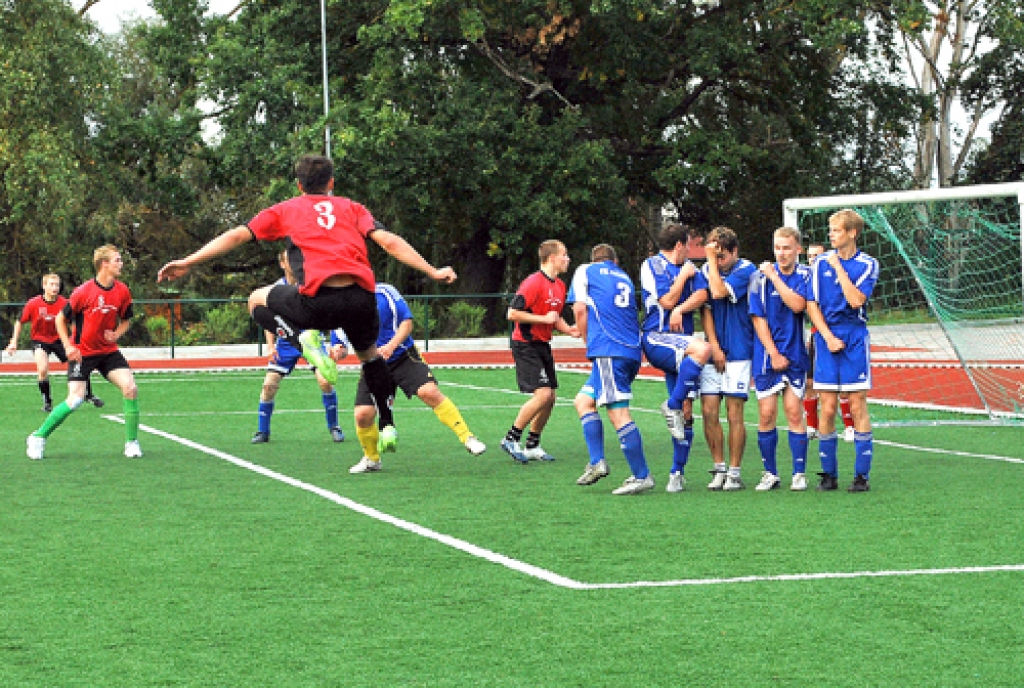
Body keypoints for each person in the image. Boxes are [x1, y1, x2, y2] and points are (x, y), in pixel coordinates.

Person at [157, 155, 456, 455]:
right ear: (331, 183)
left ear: (299, 185)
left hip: (318, 303)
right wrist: (432, 271)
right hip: (361, 300)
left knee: (255, 300)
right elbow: (389, 242)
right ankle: (388, 425)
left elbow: (237, 235)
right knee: (370, 357)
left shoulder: (286, 209)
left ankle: (301, 340)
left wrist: (188, 261)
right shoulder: (352, 208)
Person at [348, 283, 486, 473]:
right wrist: (337, 350)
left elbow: (407, 322)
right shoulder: (343, 303)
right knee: (362, 414)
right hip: (373, 364)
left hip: (402, 355)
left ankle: (467, 437)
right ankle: (372, 459)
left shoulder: (386, 292)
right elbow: (340, 340)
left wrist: (390, 346)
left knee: (429, 392)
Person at [26, 246, 142, 460]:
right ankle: (38, 437)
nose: (121, 264)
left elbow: (126, 320)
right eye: (117, 260)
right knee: (76, 399)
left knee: (130, 388)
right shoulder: (83, 292)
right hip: (83, 353)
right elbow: (61, 319)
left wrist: (116, 334)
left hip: (108, 352)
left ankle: (132, 443)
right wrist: (68, 347)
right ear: (104, 264)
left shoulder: (123, 291)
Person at [805, 209, 879, 492]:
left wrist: (838, 268)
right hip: (826, 336)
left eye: (836, 230)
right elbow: (811, 304)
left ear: (852, 233)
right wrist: (826, 337)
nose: (831, 235)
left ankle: (861, 476)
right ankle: (829, 475)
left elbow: (856, 300)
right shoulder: (818, 264)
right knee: (827, 407)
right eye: (831, 230)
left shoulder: (868, 264)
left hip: (854, 337)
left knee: (857, 403)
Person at [570, 244, 653, 495]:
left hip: (609, 350)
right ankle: (597, 462)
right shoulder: (623, 276)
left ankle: (641, 475)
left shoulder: (586, 270)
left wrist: (588, 341)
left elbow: (579, 308)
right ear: (614, 261)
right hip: (630, 350)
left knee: (618, 413)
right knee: (583, 401)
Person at [639, 223, 711, 492]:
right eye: (689, 245)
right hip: (658, 336)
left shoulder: (690, 267)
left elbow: (702, 294)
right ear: (680, 245)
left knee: (686, 413)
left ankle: (676, 473)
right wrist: (682, 278)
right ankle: (671, 404)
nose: (690, 251)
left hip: (682, 345)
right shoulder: (653, 265)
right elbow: (666, 302)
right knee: (703, 349)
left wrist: (681, 309)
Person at [252, 252, 348, 444]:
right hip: (286, 343)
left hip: (312, 341)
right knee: (269, 385)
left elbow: (330, 312)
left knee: (325, 382)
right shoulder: (275, 290)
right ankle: (262, 431)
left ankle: (334, 427)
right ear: (282, 264)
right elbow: (268, 319)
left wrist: (336, 343)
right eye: (290, 259)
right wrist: (270, 346)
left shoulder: (311, 285)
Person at [502, 240, 579, 463]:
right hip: (525, 344)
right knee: (543, 394)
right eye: (564, 255)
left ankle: (532, 444)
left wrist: (569, 330)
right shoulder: (533, 283)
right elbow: (512, 313)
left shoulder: (560, 286)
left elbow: (555, 317)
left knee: (551, 397)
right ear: (552, 258)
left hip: (542, 344)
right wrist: (543, 319)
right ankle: (511, 438)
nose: (567, 259)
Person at [750, 227, 813, 491]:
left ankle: (799, 473)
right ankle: (770, 473)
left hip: (795, 354)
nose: (781, 253)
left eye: (787, 248)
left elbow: (798, 305)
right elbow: (758, 319)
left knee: (794, 412)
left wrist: (775, 277)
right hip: (767, 357)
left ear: (798, 249)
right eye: (777, 248)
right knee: (766, 414)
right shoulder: (757, 279)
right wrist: (774, 354)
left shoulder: (805, 275)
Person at [696, 227, 758, 491]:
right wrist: (713, 346)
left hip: (740, 349)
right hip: (714, 350)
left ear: (734, 252)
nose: (718, 261)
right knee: (708, 410)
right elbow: (706, 309)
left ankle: (735, 471)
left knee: (734, 413)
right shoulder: (705, 271)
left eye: (722, 256)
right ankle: (718, 468)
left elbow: (720, 292)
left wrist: (711, 260)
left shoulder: (746, 269)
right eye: (715, 255)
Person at [5, 273, 104, 411]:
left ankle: (88, 394)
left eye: (57, 285)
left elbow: (73, 323)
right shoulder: (33, 303)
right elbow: (19, 322)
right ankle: (47, 402)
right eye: (51, 284)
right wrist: (14, 341)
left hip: (59, 340)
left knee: (79, 361)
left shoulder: (65, 303)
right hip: (40, 340)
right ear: (44, 286)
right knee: (42, 369)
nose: (55, 288)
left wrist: (77, 341)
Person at [803, 243, 856, 441]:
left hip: (837, 335)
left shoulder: (835, 278)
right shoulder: (806, 279)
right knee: (809, 382)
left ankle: (850, 427)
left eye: (817, 255)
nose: (813, 259)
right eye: (810, 256)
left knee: (841, 384)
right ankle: (812, 426)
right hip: (815, 336)